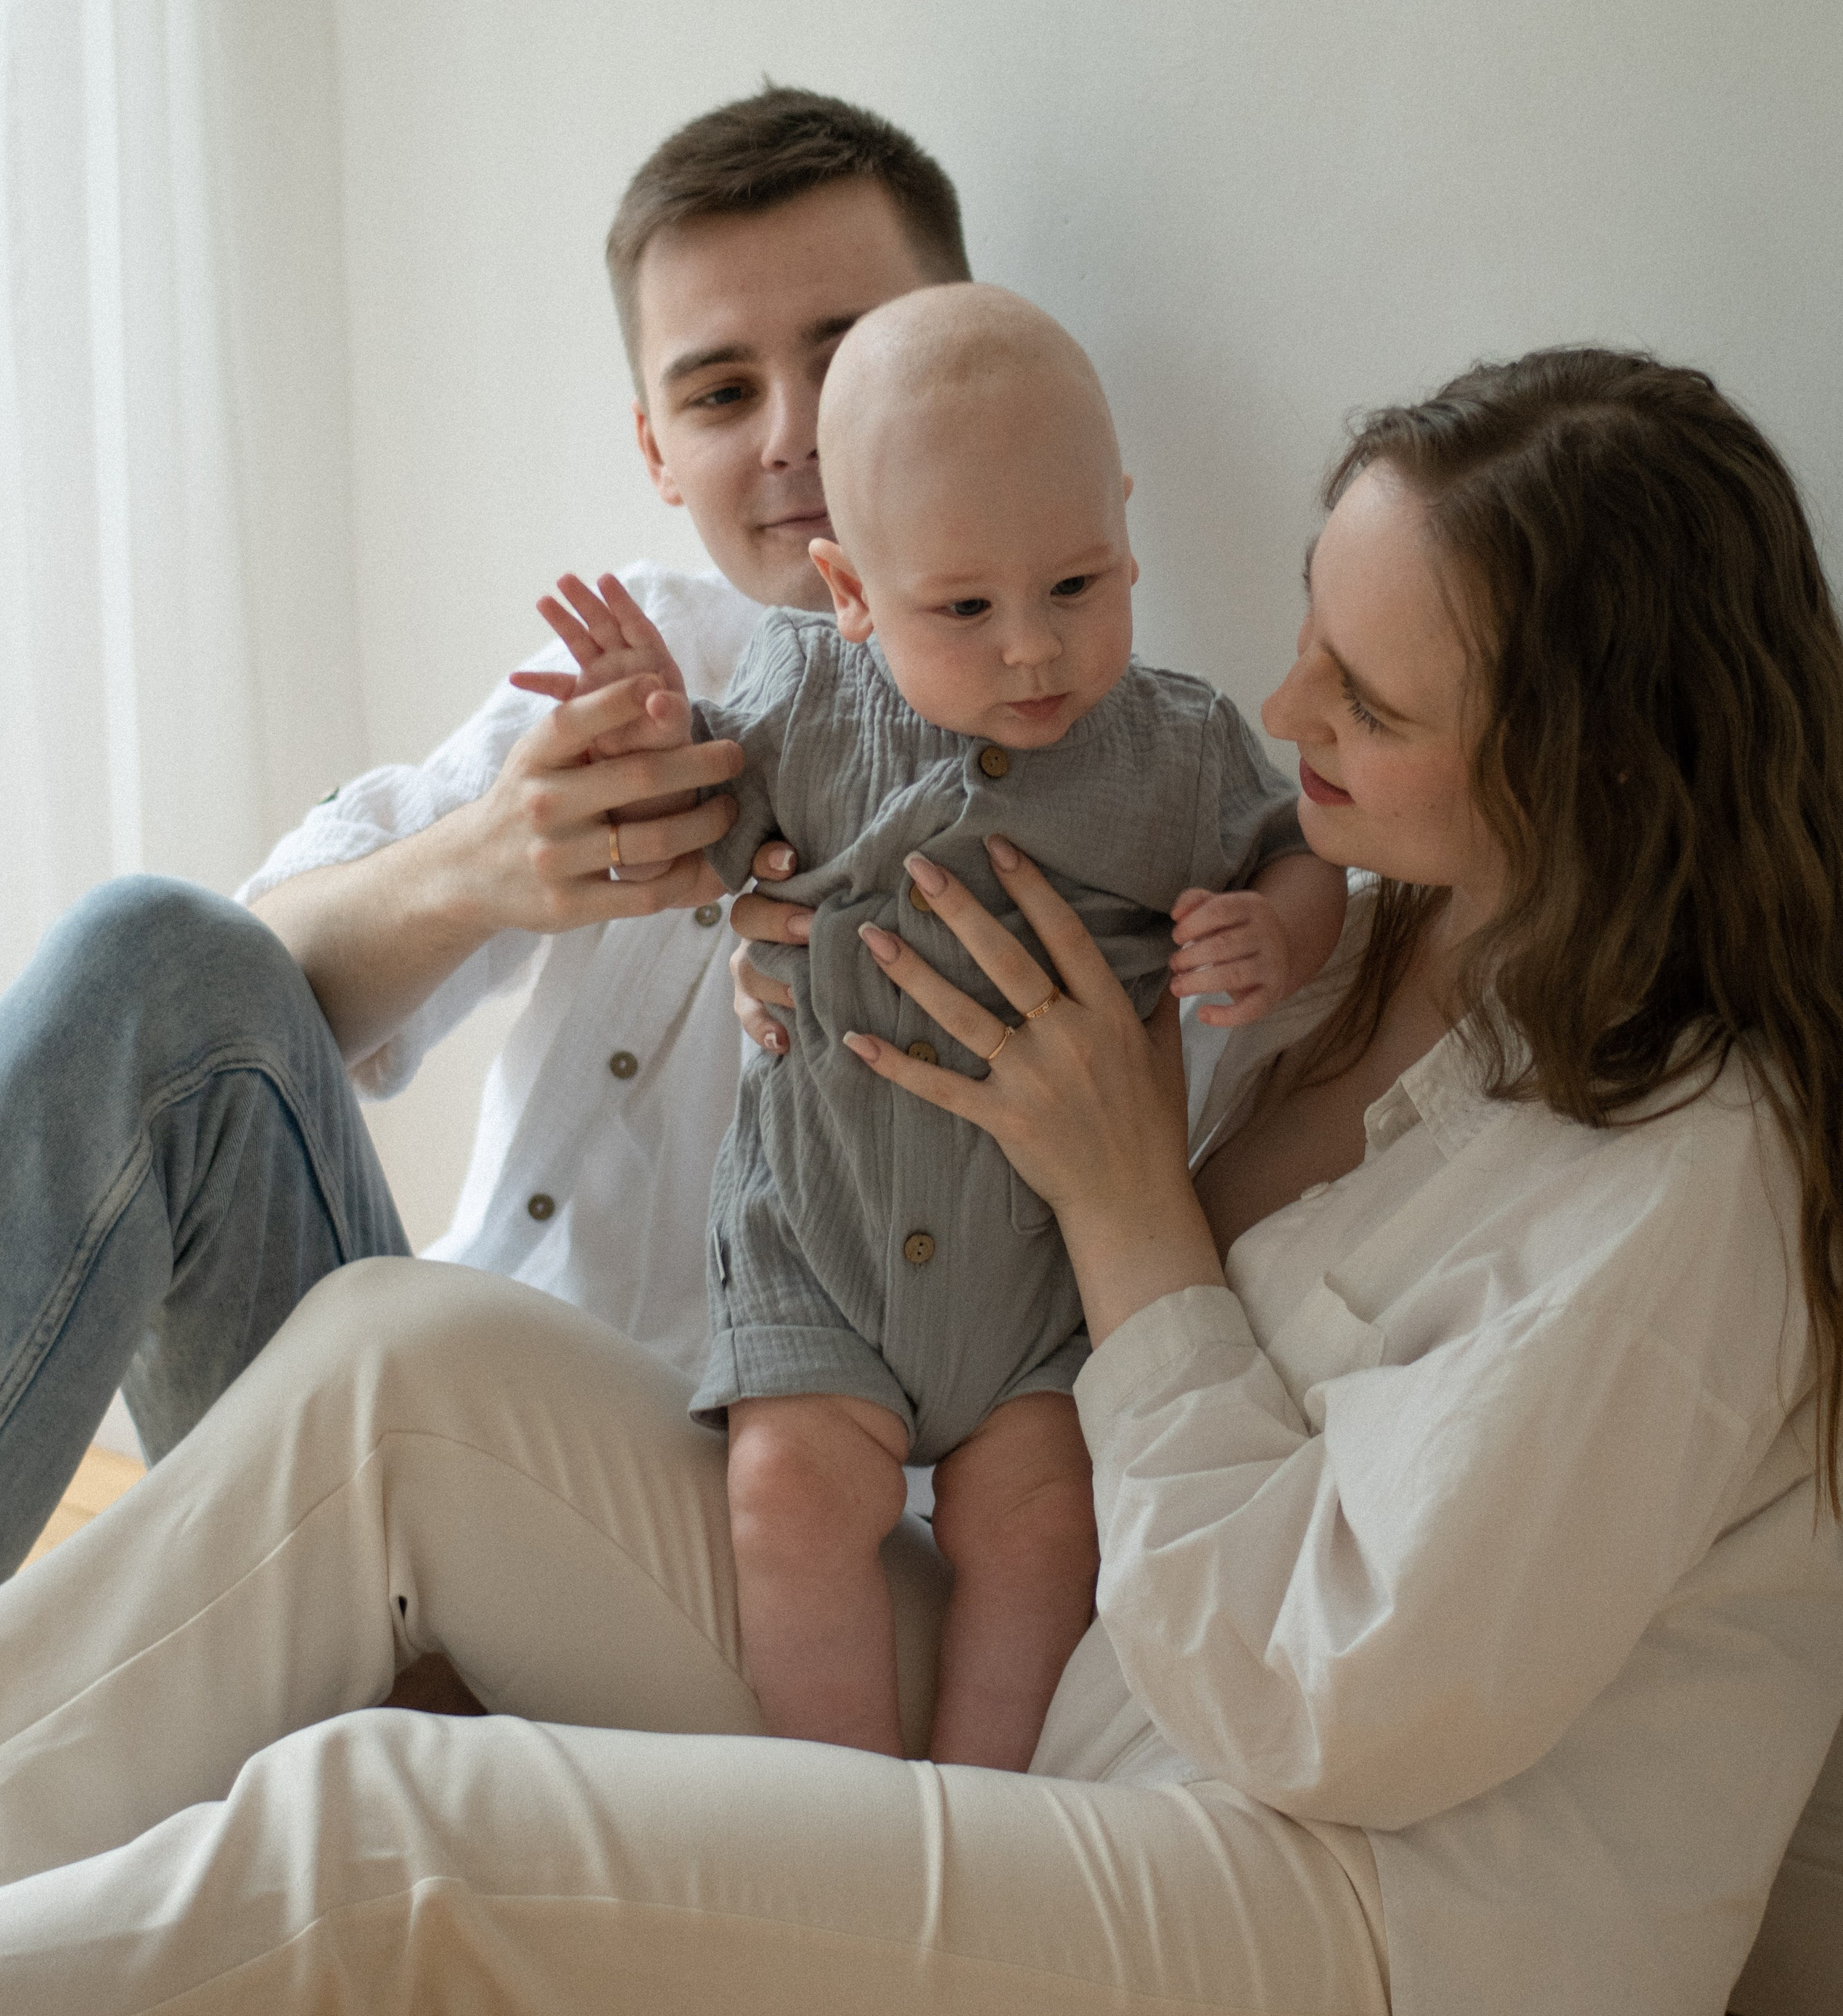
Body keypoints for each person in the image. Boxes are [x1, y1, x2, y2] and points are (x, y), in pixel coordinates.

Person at [0, 345, 1839, 2016]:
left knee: (392, 1837)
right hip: (1100, 1692)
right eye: (1308, 634)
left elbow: (1328, 1697)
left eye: (1363, 698)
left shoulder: (1691, 1180)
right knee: (399, 1367)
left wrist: (1124, 1202)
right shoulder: (1365, 949)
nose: (1283, 707)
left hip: (1341, 1898)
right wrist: (798, 952)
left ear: (1587, 767)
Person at [0, 86, 979, 1586]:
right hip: (436, 1427)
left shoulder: (1087, 763)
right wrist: (491, 866)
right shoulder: (637, 663)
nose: (789, 435)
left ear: (956, 352)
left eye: (840, 362)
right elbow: (232, 992)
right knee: (143, 949)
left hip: (765, 1549)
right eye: (720, 394)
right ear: (656, 449)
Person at [520, 287, 1345, 1768]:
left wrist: (1277, 927)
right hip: (820, 1240)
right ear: (848, 589)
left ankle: (974, 1815)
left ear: (1124, 531)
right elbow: (709, 833)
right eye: (964, 609)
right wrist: (655, 729)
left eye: (1076, 585)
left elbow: (1297, 847)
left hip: (1037, 1287)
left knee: (1043, 1528)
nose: (1032, 648)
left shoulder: (1172, 749)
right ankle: (848, 1806)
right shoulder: (798, 697)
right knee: (786, 1497)